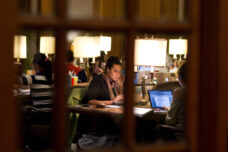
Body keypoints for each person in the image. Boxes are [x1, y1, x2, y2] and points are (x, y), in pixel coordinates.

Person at [162, 61, 187, 140]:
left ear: (180, 77)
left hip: (182, 137)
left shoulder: (179, 92)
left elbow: (170, 120)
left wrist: (170, 111)